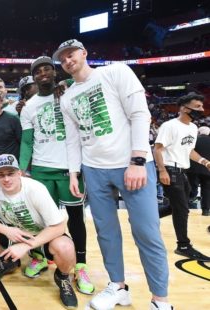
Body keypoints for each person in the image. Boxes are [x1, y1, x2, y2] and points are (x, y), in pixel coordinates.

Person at [55, 39, 172, 310]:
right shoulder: (68, 97)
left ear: (84, 53)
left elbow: (140, 115)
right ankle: (118, 287)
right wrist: (74, 172)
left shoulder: (115, 72)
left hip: (130, 164)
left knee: (147, 233)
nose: (68, 61)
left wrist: (138, 160)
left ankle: (160, 300)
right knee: (106, 233)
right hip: (94, 170)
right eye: (63, 59)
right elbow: (73, 140)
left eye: (71, 54)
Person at [19, 56, 93, 294]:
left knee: (75, 218)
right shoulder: (29, 107)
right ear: (34, 77)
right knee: (38, 218)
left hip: (70, 168)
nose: (43, 73)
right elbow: (27, 142)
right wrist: (22, 170)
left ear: (54, 72)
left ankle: (80, 265)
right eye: (38, 71)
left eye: (47, 69)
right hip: (41, 168)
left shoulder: (67, 93)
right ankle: (38, 257)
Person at [0, 154, 78, 308]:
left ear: (19, 173)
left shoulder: (36, 189)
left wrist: (26, 245)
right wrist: (6, 229)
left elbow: (59, 226)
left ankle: (63, 278)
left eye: (10, 174)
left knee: (66, 247)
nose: (6, 179)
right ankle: (9, 261)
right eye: (1, 175)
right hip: (15, 232)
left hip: (42, 235)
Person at [154, 92, 210, 261]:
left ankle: (145, 219)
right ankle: (183, 245)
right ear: (184, 108)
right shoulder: (169, 126)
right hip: (170, 169)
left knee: (178, 206)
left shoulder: (193, 128)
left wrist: (204, 161)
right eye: (197, 107)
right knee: (182, 209)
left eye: (202, 106)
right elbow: (157, 149)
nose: (201, 109)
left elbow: (189, 150)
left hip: (183, 171)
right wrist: (162, 170)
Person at [189, 126, 210, 216]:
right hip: (208, 169)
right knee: (207, 190)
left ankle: (185, 208)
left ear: (199, 132)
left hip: (193, 170)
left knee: (191, 188)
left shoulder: (193, 140)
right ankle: (206, 210)